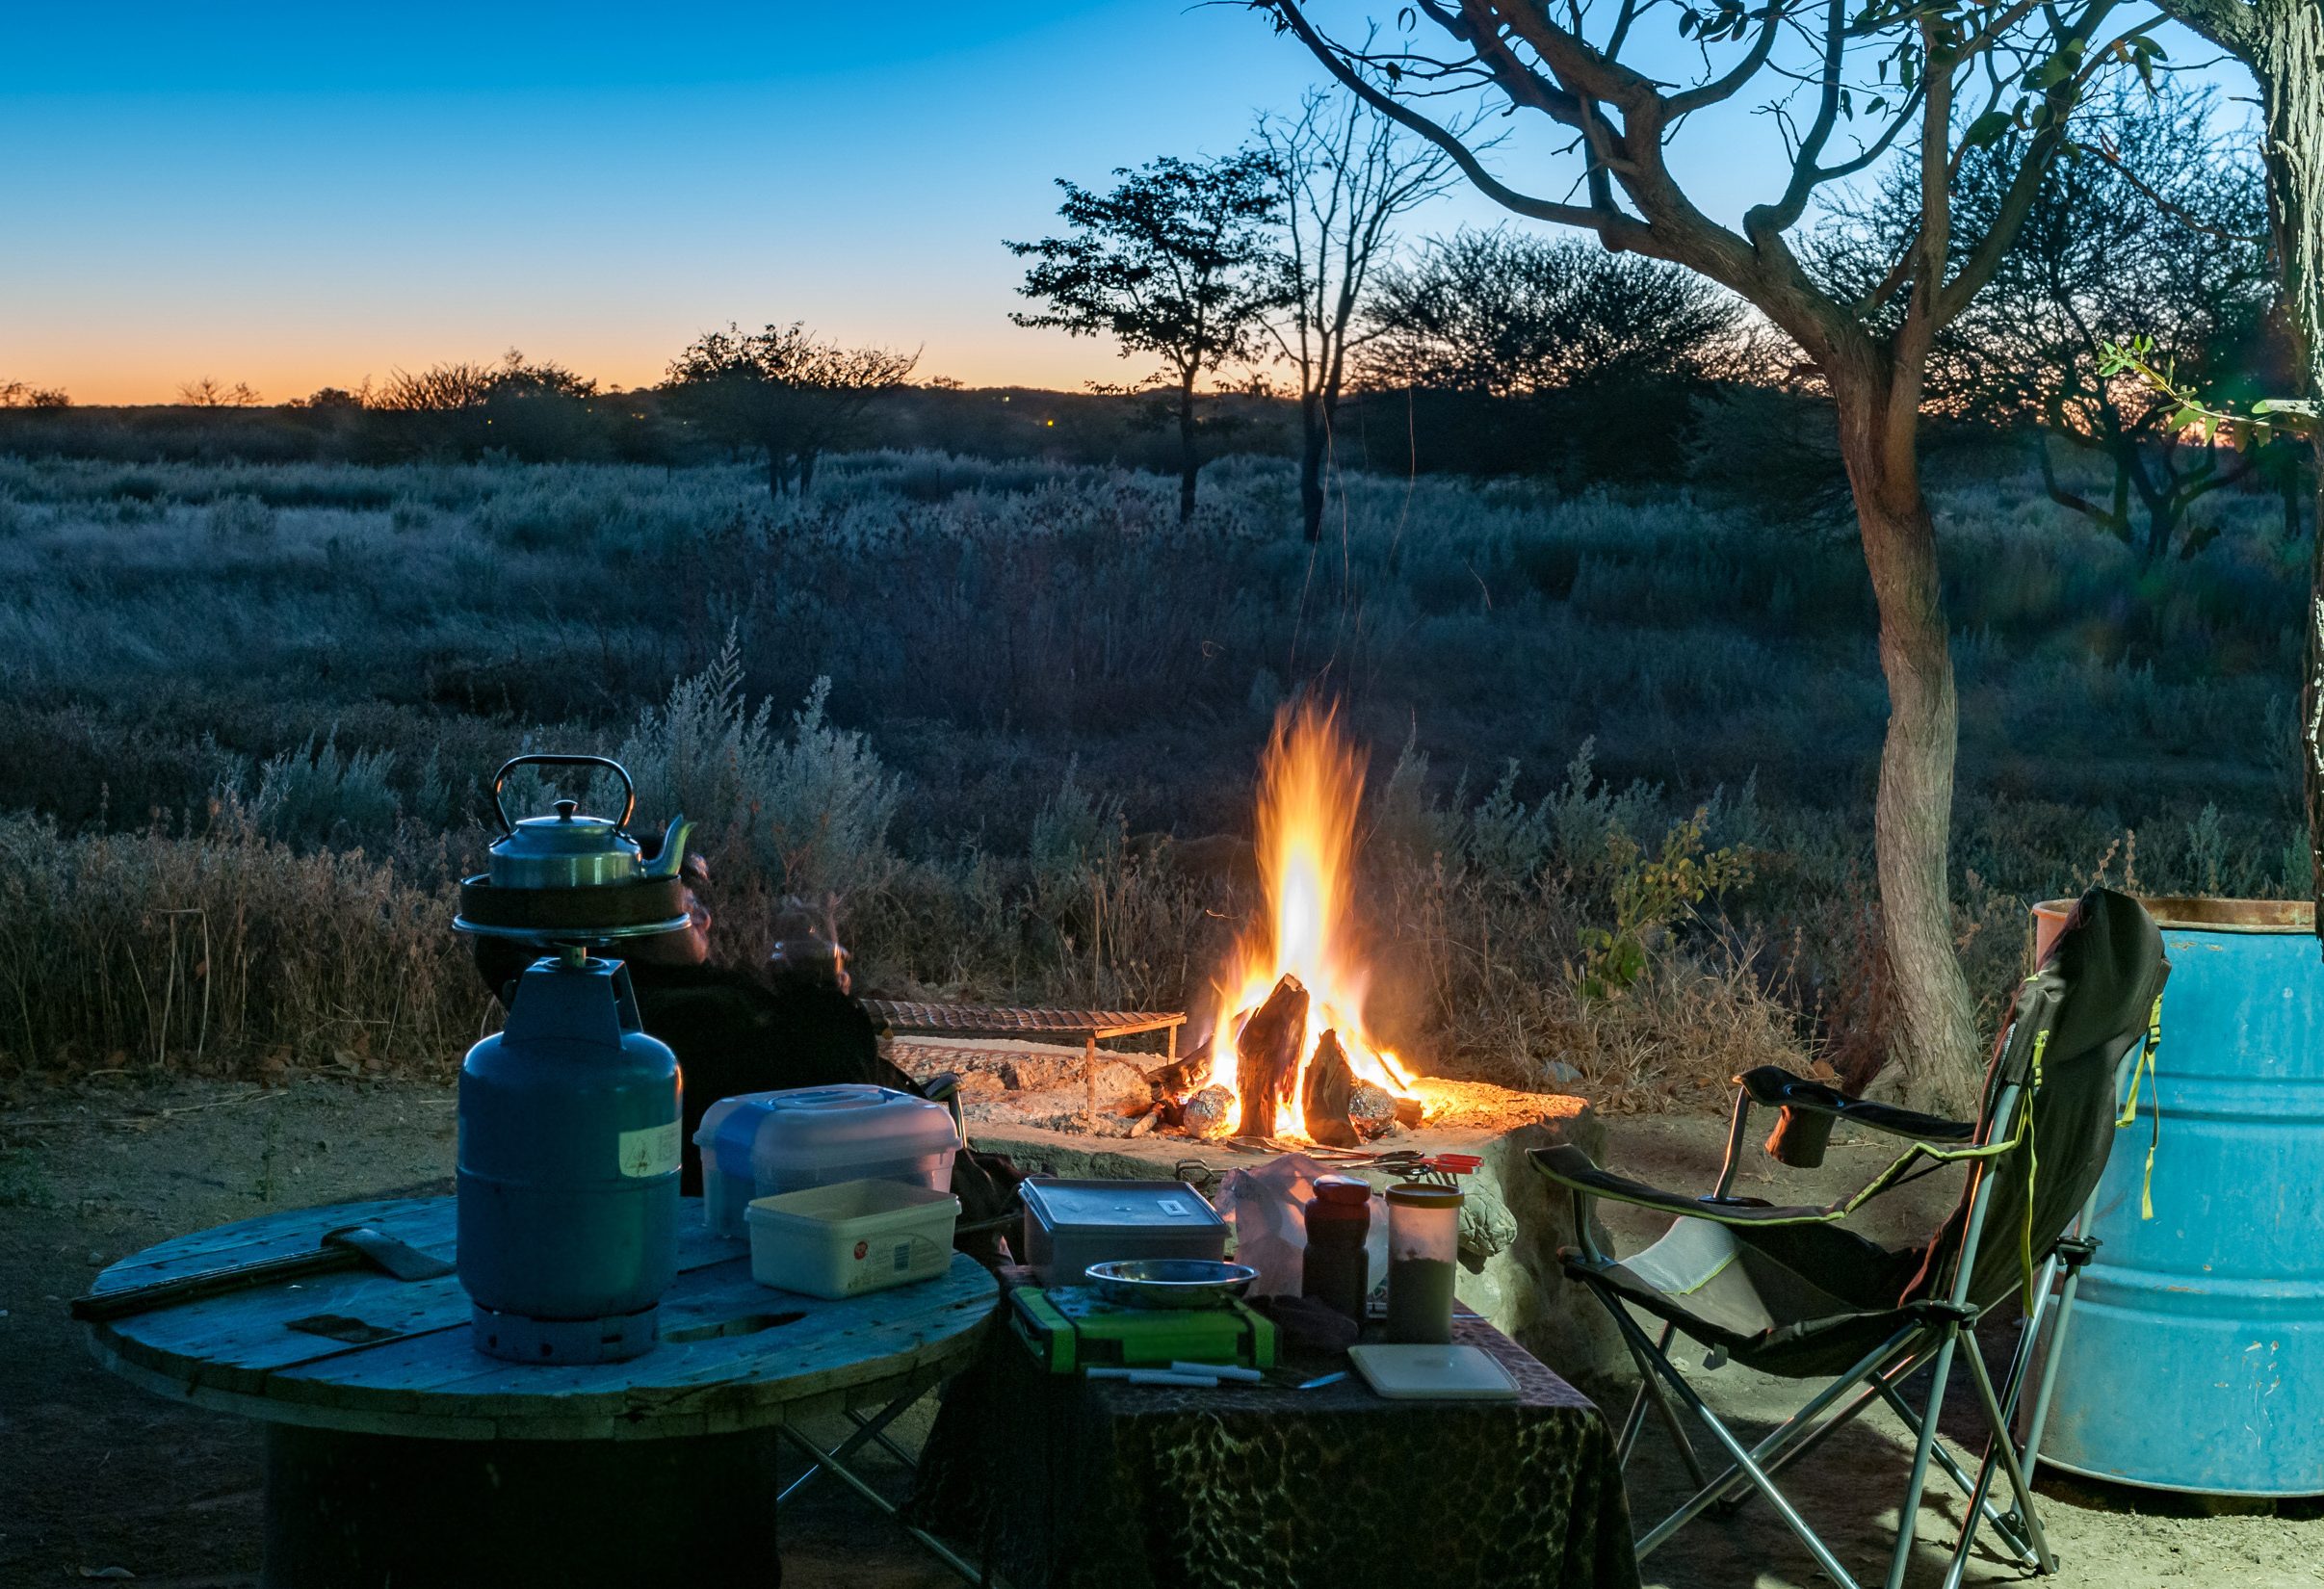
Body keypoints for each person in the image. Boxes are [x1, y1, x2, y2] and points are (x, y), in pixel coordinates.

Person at [469, 856, 1022, 1257]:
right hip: (825, 1223)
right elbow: (834, 1085)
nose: (706, 918)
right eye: (687, 908)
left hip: (833, 1191)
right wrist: (818, 988)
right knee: (1029, 1240)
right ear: (631, 925)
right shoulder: (674, 1026)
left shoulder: (633, 1003)